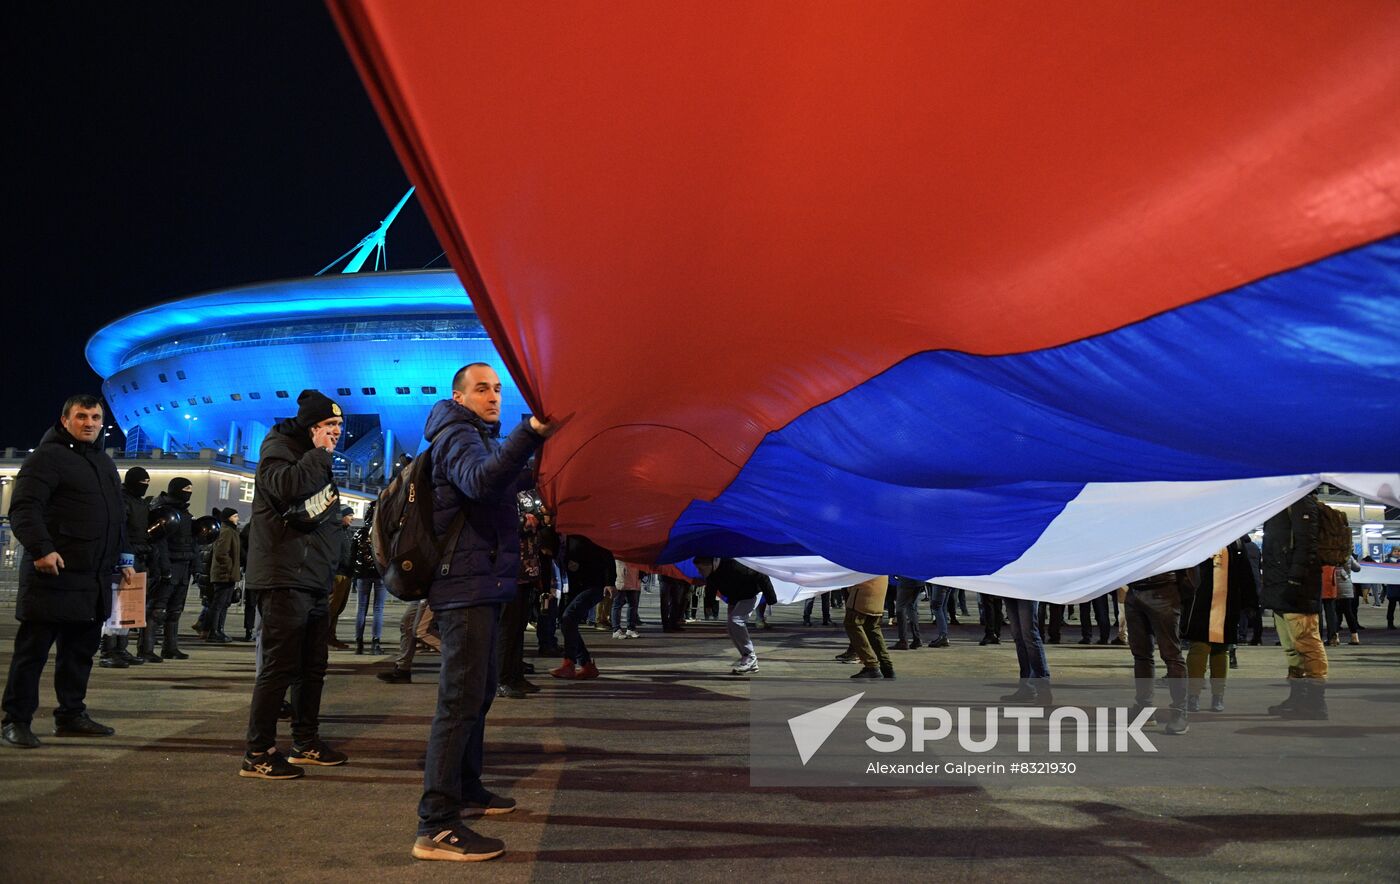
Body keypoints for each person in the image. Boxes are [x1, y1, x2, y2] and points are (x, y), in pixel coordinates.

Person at [411, 362, 550, 862]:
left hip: (482, 582)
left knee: (479, 691)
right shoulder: (455, 434)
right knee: (459, 700)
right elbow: (481, 482)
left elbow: (504, 479)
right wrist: (529, 432)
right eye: (482, 389)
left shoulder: (477, 437)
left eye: (497, 389)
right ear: (458, 395)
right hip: (464, 586)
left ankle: (467, 787)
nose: (493, 397)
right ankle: (437, 824)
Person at [2, 395, 130, 748]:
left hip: (94, 579)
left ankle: (71, 714)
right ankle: (16, 719)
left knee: (79, 654)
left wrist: (125, 560)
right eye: (81, 416)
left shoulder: (103, 462)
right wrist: (42, 549)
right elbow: (25, 508)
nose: (89, 423)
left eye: (95, 417)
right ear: (64, 420)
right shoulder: (47, 458)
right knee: (33, 653)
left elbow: (116, 518)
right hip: (53, 576)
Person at [240, 390, 349, 780]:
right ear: (311, 426)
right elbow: (286, 488)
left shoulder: (312, 454)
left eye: (338, 425)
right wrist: (318, 454)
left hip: (313, 577)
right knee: (279, 666)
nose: (336, 432)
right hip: (284, 576)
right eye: (329, 425)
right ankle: (259, 751)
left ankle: (305, 741)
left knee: (312, 667)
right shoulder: (280, 447)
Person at [1261, 493, 1328, 718]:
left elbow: (1307, 543)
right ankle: (1298, 697)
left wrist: (1295, 579)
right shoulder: (1280, 501)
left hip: (1297, 588)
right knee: (1291, 647)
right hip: (1279, 586)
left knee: (1307, 643)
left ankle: (1316, 702)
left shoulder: (1301, 501)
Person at [1124, 568, 1197, 733]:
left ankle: (1179, 711)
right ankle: (1144, 708)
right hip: (1136, 588)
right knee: (1141, 654)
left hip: (1164, 589)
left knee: (1171, 654)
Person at [1184, 542, 1253, 712]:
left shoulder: (1236, 544)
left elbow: (1246, 574)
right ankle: (1193, 695)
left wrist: (1250, 602)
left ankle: (1218, 696)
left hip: (1227, 604)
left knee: (1221, 650)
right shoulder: (1201, 541)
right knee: (1199, 648)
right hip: (1200, 604)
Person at [99, 467, 152, 668]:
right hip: (120, 559)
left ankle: (121, 648)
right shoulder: (121, 502)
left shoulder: (139, 503)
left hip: (137, 557)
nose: (144, 487)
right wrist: (123, 559)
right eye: (142, 484)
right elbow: (119, 531)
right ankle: (108, 650)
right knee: (115, 608)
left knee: (129, 608)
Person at [142, 477, 198, 661]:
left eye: (191, 488)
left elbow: (193, 541)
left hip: (184, 566)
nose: (189, 491)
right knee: (157, 609)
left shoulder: (185, 514)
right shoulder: (164, 512)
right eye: (186, 488)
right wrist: (164, 566)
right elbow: (160, 541)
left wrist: (195, 565)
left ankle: (170, 647)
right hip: (169, 565)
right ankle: (146, 649)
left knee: (175, 610)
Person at [552, 534, 614, 680]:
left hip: (594, 585)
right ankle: (585, 664)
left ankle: (570, 663)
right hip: (573, 586)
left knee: (569, 618)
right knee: (567, 622)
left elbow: (607, 555)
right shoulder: (562, 535)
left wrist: (610, 581)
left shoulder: (586, 533)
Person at [351, 501, 386, 655]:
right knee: (378, 609)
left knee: (361, 608)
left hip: (362, 574)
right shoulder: (384, 533)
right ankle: (375, 643)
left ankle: (359, 643)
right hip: (380, 574)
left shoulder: (359, 533)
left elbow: (352, 556)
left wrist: (353, 574)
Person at [1001, 597, 1051, 705]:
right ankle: (1027, 688)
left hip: (1027, 589)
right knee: (1019, 636)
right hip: (1010, 589)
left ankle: (1043, 689)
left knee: (1029, 635)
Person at [845, 576, 894, 679]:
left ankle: (871, 665)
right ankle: (886, 665)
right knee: (872, 627)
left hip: (864, 588)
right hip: (880, 586)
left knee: (853, 623)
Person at [205, 508, 242, 643]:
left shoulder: (232, 531)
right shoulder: (226, 531)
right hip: (223, 574)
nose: (237, 518)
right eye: (235, 516)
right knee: (219, 603)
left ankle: (219, 630)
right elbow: (221, 553)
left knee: (225, 603)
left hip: (228, 573)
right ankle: (214, 631)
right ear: (228, 518)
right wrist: (229, 568)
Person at [326, 507, 355, 649]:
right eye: (350, 515)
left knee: (338, 608)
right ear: (342, 516)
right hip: (337, 574)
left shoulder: (348, 532)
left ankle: (331, 637)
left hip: (347, 574)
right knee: (331, 608)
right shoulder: (334, 532)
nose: (352, 518)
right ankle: (321, 638)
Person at [610, 561, 643, 639]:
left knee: (633, 604)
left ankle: (631, 628)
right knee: (617, 605)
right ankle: (616, 629)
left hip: (634, 577)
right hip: (622, 577)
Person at [890, 576, 924, 650]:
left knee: (900, 608)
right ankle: (917, 638)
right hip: (919, 580)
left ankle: (903, 640)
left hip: (906, 580)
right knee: (911, 607)